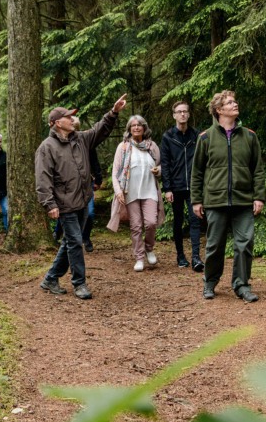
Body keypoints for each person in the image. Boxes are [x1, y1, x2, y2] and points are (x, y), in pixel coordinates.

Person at [35, 94, 127, 300]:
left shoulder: (81, 139)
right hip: (64, 202)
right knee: (75, 241)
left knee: (70, 241)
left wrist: (113, 112)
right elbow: (43, 178)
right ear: (58, 123)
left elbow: (99, 130)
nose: (72, 119)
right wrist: (49, 203)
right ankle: (79, 283)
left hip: (83, 199)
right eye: (69, 117)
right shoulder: (47, 147)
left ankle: (51, 278)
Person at [191, 90, 265, 302]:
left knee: (245, 243)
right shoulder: (205, 138)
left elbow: (258, 170)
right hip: (215, 200)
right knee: (214, 245)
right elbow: (196, 172)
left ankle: (241, 285)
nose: (235, 104)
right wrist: (197, 200)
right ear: (219, 110)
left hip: (243, 200)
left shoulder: (249, 136)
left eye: (235, 101)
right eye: (230, 102)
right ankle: (210, 282)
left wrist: (258, 197)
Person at [107, 114, 166, 272]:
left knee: (151, 223)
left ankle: (149, 248)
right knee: (136, 226)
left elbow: (161, 166)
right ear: (129, 129)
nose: (136, 127)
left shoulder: (152, 146)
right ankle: (139, 257)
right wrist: (118, 190)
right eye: (133, 125)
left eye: (139, 125)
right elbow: (115, 172)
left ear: (144, 128)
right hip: (130, 192)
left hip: (150, 190)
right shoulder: (124, 147)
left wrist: (158, 170)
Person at [160, 100, 203, 271]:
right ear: (174, 115)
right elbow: (165, 163)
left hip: (193, 186)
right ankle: (180, 256)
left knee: (195, 220)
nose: (182, 114)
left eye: (185, 111)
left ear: (189, 114)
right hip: (176, 186)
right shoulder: (168, 137)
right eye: (179, 112)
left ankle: (196, 258)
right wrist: (167, 188)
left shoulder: (197, 136)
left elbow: (201, 161)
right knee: (178, 222)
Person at [51, 115, 102, 251]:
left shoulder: (86, 141)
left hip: (86, 185)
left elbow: (94, 162)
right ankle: (60, 234)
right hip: (68, 188)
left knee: (89, 213)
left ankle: (85, 237)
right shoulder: (56, 145)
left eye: (77, 127)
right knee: (67, 212)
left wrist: (98, 179)